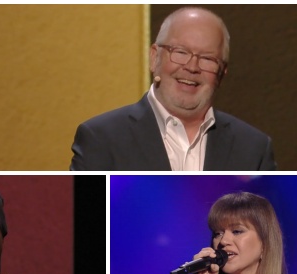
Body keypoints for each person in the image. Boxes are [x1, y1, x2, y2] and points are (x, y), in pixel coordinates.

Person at [70, 7, 276, 171]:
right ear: (154, 58)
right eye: (180, 52)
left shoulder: (253, 148)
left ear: (222, 73)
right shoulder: (101, 138)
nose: (192, 67)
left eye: (207, 59)